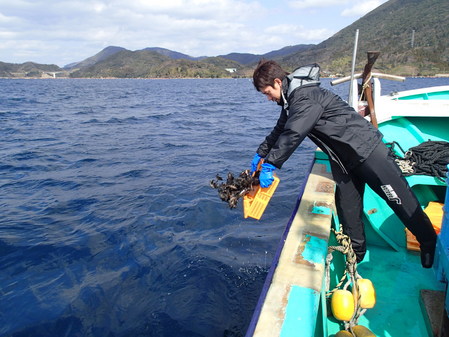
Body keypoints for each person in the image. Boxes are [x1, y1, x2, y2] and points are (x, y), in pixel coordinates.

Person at [249, 59, 437, 268]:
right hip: (344, 160)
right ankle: (355, 257)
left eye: (267, 92)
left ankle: (429, 242)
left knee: (400, 200)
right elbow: (280, 130)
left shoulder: (305, 97)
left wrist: (271, 165)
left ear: (277, 82)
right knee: (348, 211)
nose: (267, 98)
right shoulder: (291, 100)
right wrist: (261, 154)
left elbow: (294, 132)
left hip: (368, 152)